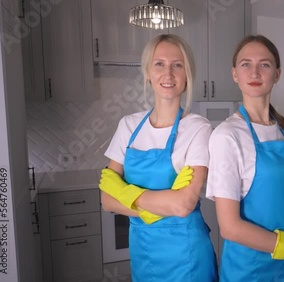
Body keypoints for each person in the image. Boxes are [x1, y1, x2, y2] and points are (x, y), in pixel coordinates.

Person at [206, 34, 284, 281]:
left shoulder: (282, 129)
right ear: (235, 74)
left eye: (264, 64)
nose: (255, 72)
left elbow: (282, 198)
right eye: (246, 64)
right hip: (250, 268)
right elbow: (230, 228)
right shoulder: (227, 136)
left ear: (277, 74)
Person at [99, 34, 218, 282]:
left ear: (187, 75)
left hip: (188, 255)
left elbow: (183, 205)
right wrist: (165, 202)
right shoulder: (129, 126)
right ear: (148, 73)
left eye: (178, 65)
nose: (169, 73)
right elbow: (107, 200)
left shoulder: (199, 128)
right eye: (159, 64)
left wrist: (127, 194)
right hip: (144, 252)